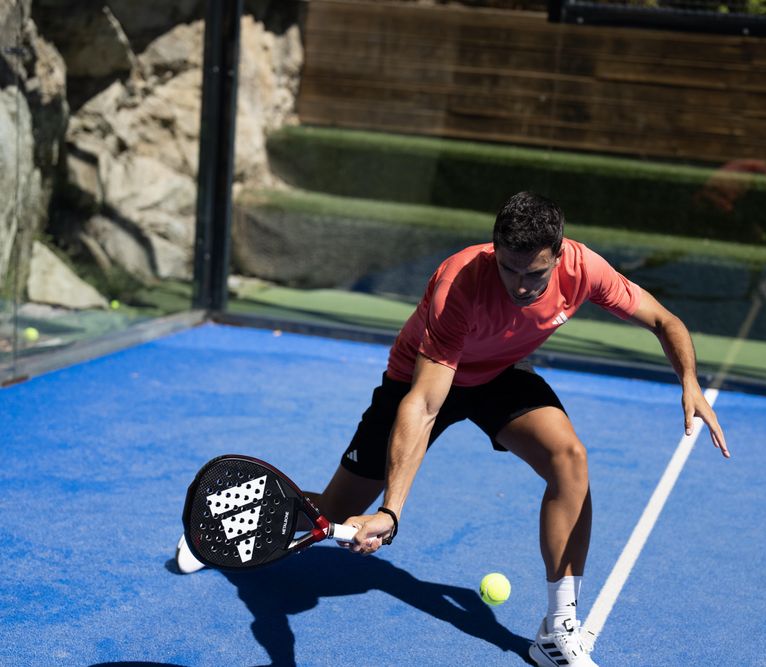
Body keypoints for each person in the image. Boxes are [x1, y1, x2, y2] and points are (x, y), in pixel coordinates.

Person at [176, 191, 728, 666]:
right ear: (494, 251)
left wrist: (689, 381)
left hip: (499, 376)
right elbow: (424, 402)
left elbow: (664, 319)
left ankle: (557, 632)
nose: (520, 285)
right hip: (418, 380)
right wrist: (393, 510)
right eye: (508, 269)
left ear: (559, 254)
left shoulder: (586, 270)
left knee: (570, 460)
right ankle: (222, 525)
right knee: (337, 513)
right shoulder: (458, 283)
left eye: (534, 273)